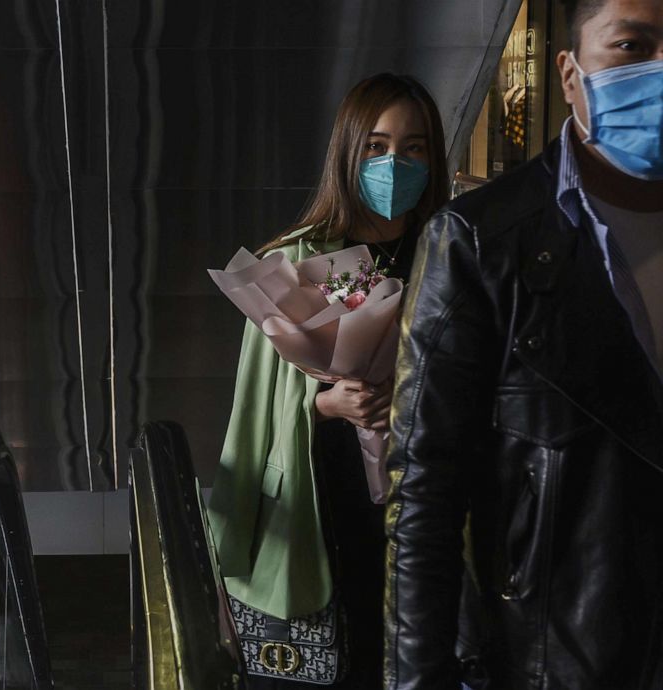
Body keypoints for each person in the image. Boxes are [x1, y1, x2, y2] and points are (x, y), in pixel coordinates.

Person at [384, 1, 663, 688]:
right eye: (632, 46)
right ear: (570, 75)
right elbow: (425, 496)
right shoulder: (480, 241)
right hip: (555, 660)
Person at [207, 73, 448, 689]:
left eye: (414, 147)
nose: (395, 163)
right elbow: (256, 410)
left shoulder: (451, 249)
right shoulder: (298, 261)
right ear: (347, 151)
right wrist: (326, 404)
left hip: (431, 500)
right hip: (325, 500)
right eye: (376, 146)